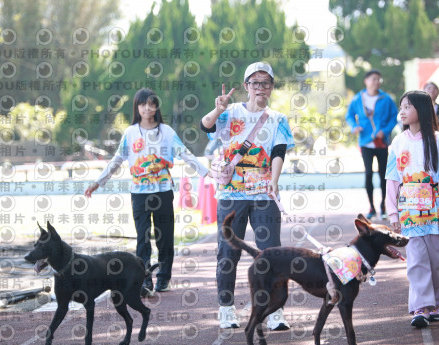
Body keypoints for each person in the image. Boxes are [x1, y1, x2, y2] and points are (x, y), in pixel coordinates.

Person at [85, 88, 209, 296]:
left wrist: (207, 172)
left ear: (156, 107)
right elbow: (117, 159)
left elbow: (185, 153)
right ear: (137, 107)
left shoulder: (166, 132)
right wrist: (98, 182)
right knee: (142, 238)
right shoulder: (130, 133)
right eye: (143, 104)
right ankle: (144, 280)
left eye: (151, 104)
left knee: (164, 237)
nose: (147, 108)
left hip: (163, 191)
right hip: (139, 193)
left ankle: (164, 278)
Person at [200, 62, 294, 330]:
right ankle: (226, 309)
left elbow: (278, 152)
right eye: (255, 83)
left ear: (272, 87)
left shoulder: (278, 118)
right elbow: (205, 126)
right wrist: (218, 109)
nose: (260, 88)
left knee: (271, 252)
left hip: (264, 193)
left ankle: (275, 312)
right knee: (227, 252)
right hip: (231, 194)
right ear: (246, 86)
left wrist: (274, 181)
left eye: (266, 83)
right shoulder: (229, 112)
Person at [385, 90, 439, 328]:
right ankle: (421, 307)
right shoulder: (398, 142)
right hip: (409, 213)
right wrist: (393, 212)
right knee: (416, 261)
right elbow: (392, 179)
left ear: (422, 110)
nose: (402, 112)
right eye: (401, 107)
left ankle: (434, 304)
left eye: (407, 107)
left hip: (435, 212)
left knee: (436, 261)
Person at [345, 69, 398, 220]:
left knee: (383, 174)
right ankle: (371, 207)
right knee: (368, 173)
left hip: (381, 142)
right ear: (366, 81)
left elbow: (394, 117)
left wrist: (385, 131)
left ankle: (383, 206)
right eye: (373, 79)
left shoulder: (386, 99)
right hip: (365, 142)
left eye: (378, 79)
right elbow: (349, 115)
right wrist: (354, 127)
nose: (376, 82)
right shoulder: (358, 98)